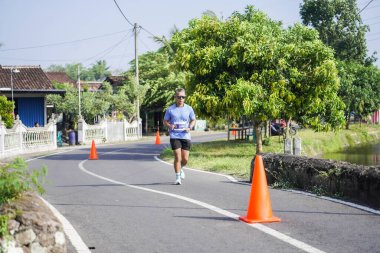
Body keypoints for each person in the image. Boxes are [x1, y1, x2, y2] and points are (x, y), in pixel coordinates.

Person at [163, 88, 196, 185]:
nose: (181, 99)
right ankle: (177, 177)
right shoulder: (170, 109)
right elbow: (165, 121)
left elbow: (193, 120)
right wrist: (170, 125)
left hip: (185, 136)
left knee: (185, 159)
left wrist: (190, 127)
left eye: (183, 97)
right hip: (174, 135)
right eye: (179, 97)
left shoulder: (189, 108)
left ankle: (180, 168)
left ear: (185, 98)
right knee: (178, 157)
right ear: (175, 97)